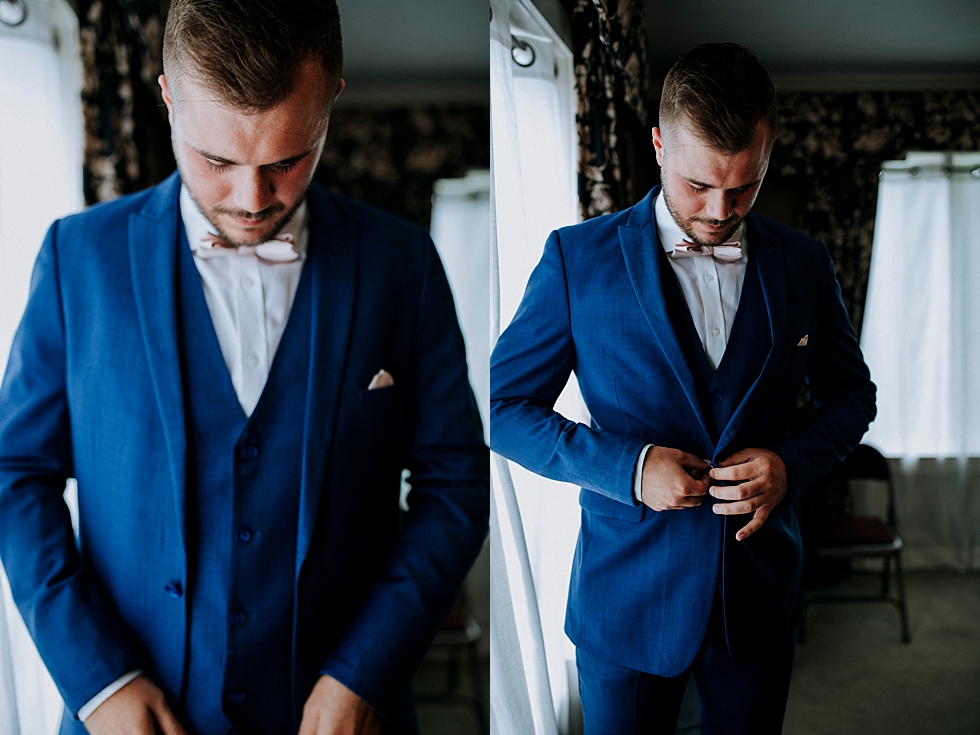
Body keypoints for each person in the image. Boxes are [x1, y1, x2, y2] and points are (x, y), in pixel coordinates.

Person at [0, 1, 488, 733]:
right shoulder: (78, 261)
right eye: (217, 161)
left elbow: (455, 486)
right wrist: (99, 680)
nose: (253, 199)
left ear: (332, 100)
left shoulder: (402, 265)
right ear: (166, 96)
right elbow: (15, 474)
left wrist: (364, 671)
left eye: (288, 159)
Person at [490, 43, 875, 734]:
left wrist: (790, 464)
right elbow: (503, 409)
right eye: (699, 185)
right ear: (660, 144)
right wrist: (629, 469)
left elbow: (853, 397)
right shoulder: (576, 259)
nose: (721, 210)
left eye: (744, 186)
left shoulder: (805, 264)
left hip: (755, 596)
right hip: (625, 599)